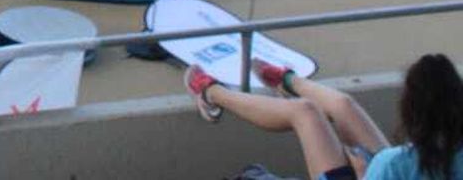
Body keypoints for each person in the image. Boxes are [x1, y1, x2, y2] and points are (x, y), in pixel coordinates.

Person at [185, 53, 463, 180]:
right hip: (395, 167)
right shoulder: (402, 159)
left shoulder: (394, 164)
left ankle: (211, 92)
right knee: (344, 105)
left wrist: (364, 171)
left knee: (304, 112)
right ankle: (288, 81)